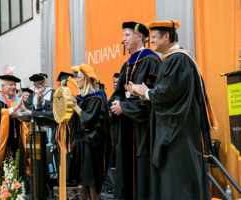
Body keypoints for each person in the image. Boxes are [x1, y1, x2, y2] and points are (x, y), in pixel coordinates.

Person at [128, 20, 218, 200]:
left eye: (153, 37)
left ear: (166, 36)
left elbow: (169, 93)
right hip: (178, 135)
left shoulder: (179, 59)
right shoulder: (172, 59)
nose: (150, 41)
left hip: (179, 137)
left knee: (177, 185)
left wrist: (148, 93)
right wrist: (144, 93)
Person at [109, 21, 161, 200]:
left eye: (127, 35)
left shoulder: (152, 61)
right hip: (126, 125)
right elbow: (117, 93)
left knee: (141, 175)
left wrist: (125, 107)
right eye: (123, 36)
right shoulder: (127, 65)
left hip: (142, 130)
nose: (123, 39)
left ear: (140, 36)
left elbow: (152, 99)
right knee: (125, 174)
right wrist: (116, 104)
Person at [69, 64, 112, 200]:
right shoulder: (82, 97)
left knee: (92, 177)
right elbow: (75, 122)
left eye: (79, 77)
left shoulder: (97, 98)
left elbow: (91, 120)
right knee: (82, 177)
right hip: (82, 143)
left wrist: (76, 108)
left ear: (87, 79)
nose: (76, 80)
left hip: (93, 144)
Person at [0, 75, 30, 190]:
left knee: (17, 167)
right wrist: (12, 110)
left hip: (17, 141)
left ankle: (17, 193)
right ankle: (1, 194)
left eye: (15, 85)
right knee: (2, 170)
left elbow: (27, 116)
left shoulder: (18, 100)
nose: (13, 87)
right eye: (11, 85)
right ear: (2, 86)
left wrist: (22, 112)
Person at [25, 73, 56, 145]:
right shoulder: (32, 96)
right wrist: (37, 104)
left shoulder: (53, 93)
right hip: (37, 128)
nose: (40, 85)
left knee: (51, 149)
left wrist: (43, 101)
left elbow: (56, 108)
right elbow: (28, 110)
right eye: (37, 84)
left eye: (41, 83)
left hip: (51, 127)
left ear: (45, 82)